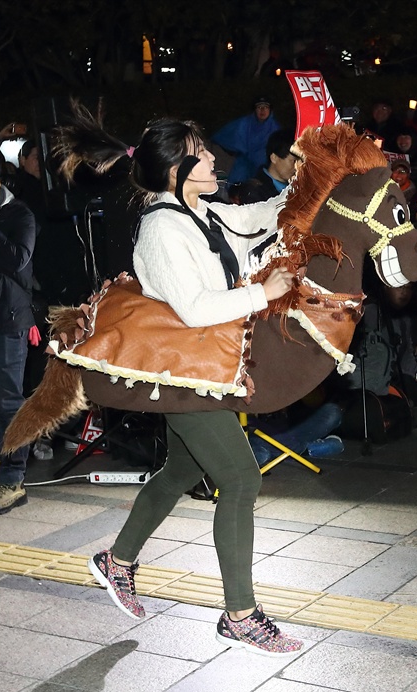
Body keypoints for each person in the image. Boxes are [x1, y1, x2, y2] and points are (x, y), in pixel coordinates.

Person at [53, 103, 302, 655]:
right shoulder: (163, 227)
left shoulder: (204, 214)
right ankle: (239, 614)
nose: (214, 158)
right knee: (241, 481)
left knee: (180, 469)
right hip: (183, 373)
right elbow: (192, 307)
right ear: (175, 172)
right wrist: (266, 292)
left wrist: (310, 187)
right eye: (201, 154)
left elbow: (261, 218)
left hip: (200, 370)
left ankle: (114, 561)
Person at [0, 146, 37, 517]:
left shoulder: (19, 214)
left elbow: (18, 259)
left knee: (7, 401)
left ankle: (14, 478)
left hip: (8, 318)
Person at [212, 96, 282, 185]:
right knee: (239, 173)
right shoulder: (245, 123)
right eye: (259, 107)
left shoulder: (275, 128)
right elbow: (225, 136)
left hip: (265, 165)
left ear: (270, 110)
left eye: (266, 107)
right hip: (245, 162)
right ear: (255, 110)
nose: (262, 110)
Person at [232, 129, 298, 204]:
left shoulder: (297, 188)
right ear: (274, 158)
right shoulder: (254, 190)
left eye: (301, 162)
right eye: (293, 161)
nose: (297, 167)